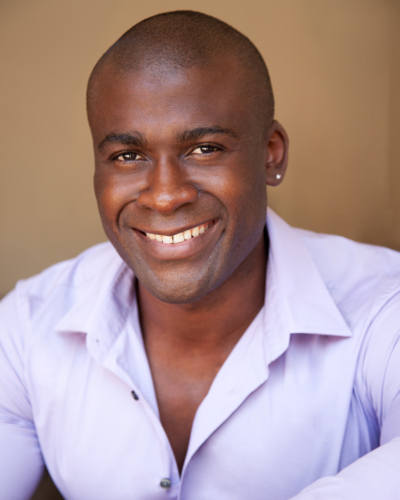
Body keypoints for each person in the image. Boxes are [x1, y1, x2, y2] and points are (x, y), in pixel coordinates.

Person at [1, 10, 400, 500]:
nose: (165, 196)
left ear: (271, 153)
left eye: (205, 149)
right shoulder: (27, 329)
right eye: (128, 156)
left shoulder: (383, 311)